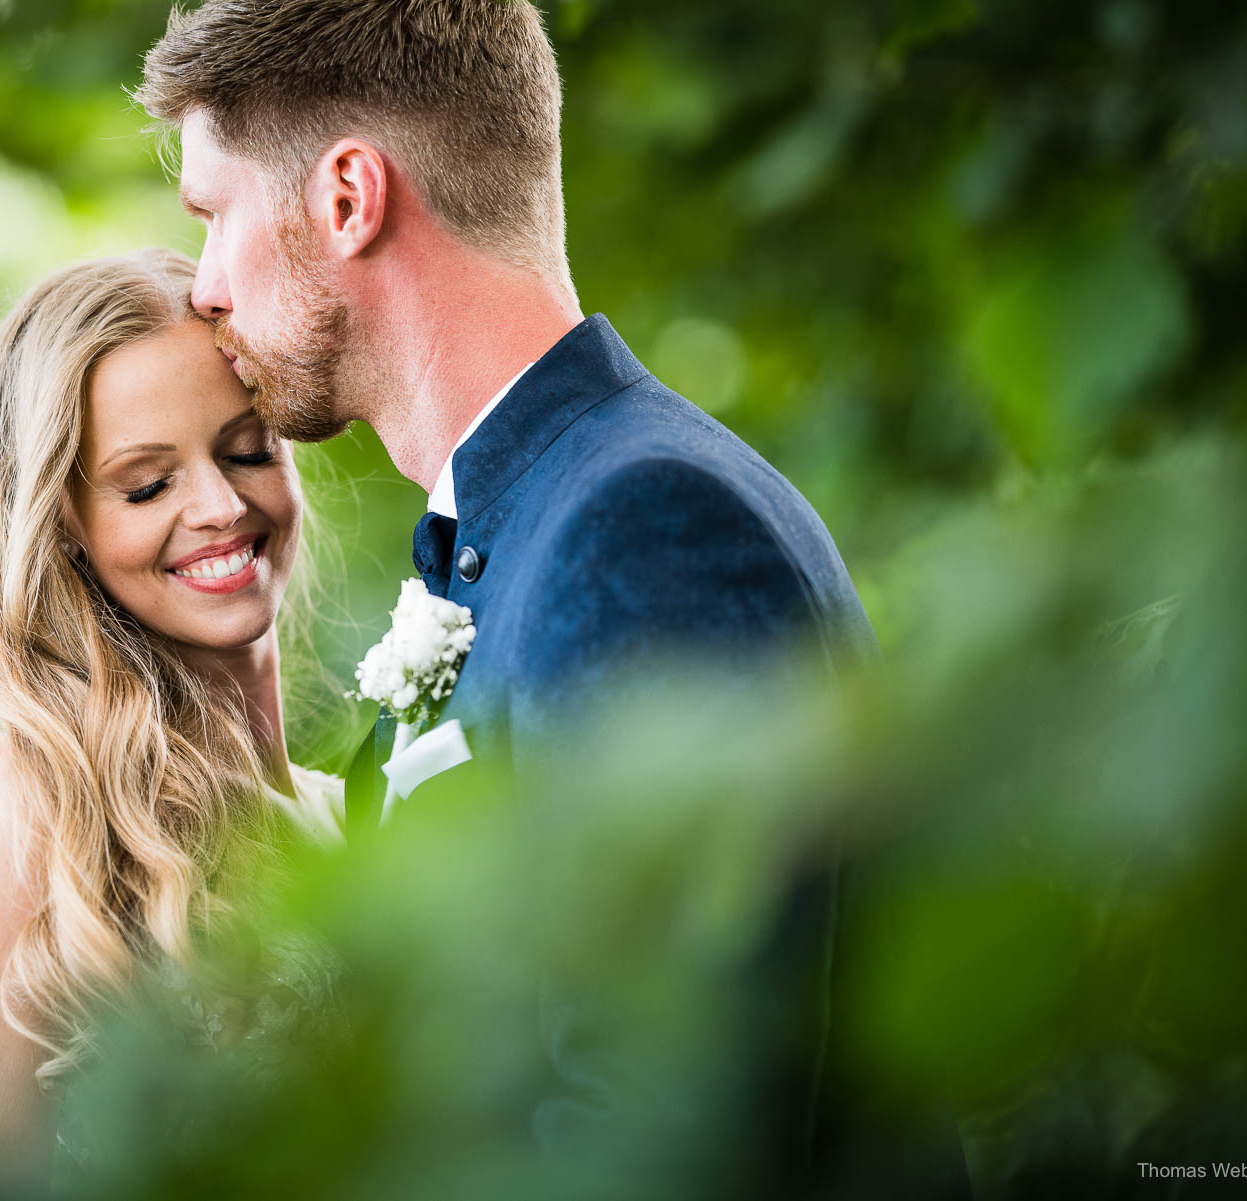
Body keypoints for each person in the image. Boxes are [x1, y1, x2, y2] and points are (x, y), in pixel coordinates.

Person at [136, 1, 970, 1194]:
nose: (207, 287)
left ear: (347, 198)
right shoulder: (517, 526)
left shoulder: (648, 524)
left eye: (214, 216)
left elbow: (665, 1131)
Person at [0, 249, 342, 1197]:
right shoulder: (33, 807)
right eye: (147, 485)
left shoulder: (353, 810)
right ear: (61, 523)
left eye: (246, 449)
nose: (222, 507)